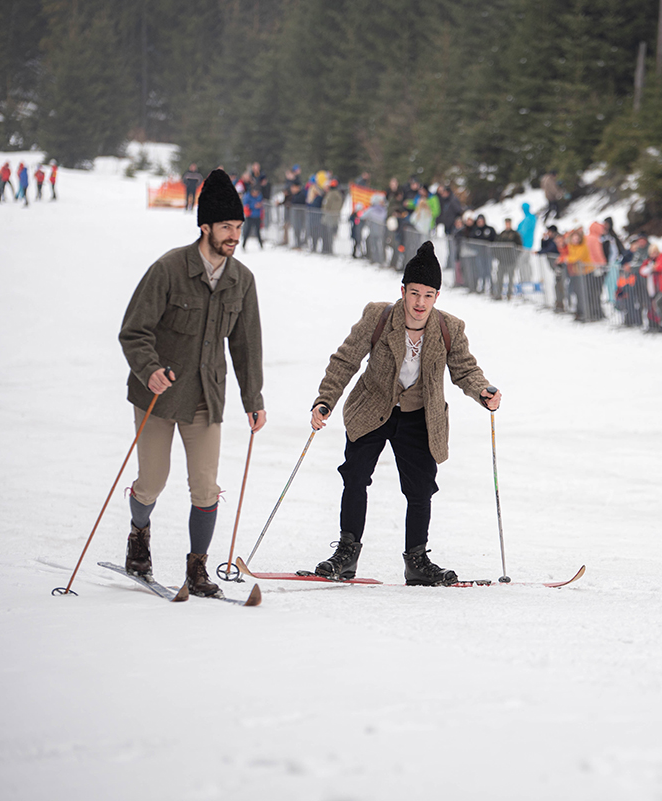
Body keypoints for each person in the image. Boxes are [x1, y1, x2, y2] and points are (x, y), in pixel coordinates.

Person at [308, 242, 501, 585]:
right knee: (355, 476)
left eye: (428, 295)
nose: (420, 303)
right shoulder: (379, 316)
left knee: (421, 488)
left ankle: (417, 559)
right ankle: (346, 554)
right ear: (403, 291)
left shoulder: (449, 328)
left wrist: (483, 390)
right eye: (414, 293)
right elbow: (346, 360)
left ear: (437, 297)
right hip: (373, 408)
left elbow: (465, 370)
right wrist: (325, 401)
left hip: (419, 416)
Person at [117, 168, 266, 597]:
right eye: (226, 227)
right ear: (205, 226)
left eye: (238, 227)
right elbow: (134, 330)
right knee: (152, 480)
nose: (234, 235)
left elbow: (246, 345)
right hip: (158, 396)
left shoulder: (242, 280)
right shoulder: (168, 269)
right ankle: (138, 538)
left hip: (206, 395)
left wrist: (252, 398)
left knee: (206, 486)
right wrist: (149, 368)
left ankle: (197, 568)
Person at [242, 184, 264, 251]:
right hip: (250, 216)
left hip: (257, 215)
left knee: (258, 231)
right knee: (247, 230)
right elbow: (246, 206)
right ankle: (244, 244)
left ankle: (261, 245)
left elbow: (261, 203)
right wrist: (254, 206)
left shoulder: (259, 196)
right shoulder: (247, 196)